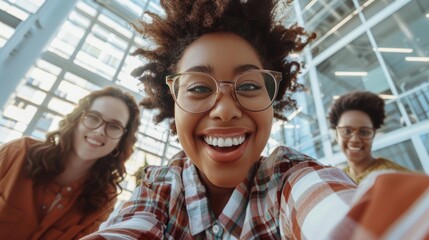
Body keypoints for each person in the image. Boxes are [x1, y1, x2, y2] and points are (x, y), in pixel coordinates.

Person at [83, 1, 429, 239]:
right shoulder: (158, 191)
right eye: (199, 88)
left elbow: (332, 211)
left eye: (249, 85)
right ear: (171, 104)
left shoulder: (287, 179)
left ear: (272, 101)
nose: (224, 110)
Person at [0, 86, 140, 239]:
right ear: (77, 119)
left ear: (121, 141)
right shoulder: (18, 152)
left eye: (114, 126)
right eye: (93, 117)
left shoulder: (104, 198)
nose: (100, 131)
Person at [328, 91, 410, 184]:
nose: (355, 139)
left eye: (363, 132)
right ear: (336, 134)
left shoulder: (395, 177)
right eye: (347, 131)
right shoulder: (338, 179)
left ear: (373, 135)